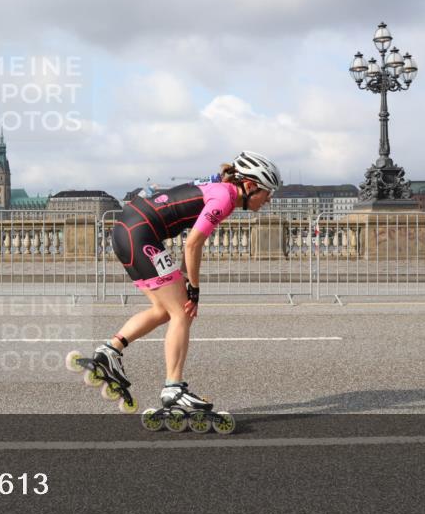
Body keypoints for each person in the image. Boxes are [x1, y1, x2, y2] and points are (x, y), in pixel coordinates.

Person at [75, 151, 281, 415]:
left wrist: (185, 277)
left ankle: (109, 352)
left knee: (164, 310)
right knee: (183, 310)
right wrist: (193, 289)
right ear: (250, 186)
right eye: (267, 192)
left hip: (130, 231)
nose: (269, 200)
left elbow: (192, 242)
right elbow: (193, 244)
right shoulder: (225, 197)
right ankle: (174, 389)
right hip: (140, 234)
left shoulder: (219, 189)